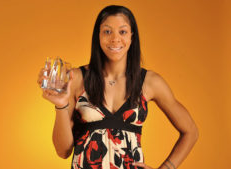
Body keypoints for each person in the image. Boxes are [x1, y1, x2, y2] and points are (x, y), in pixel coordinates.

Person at [37, 5, 199, 169]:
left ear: (132, 37)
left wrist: (167, 168)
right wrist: (60, 105)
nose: (115, 39)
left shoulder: (149, 82)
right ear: (98, 36)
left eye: (122, 32)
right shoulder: (76, 78)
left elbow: (191, 131)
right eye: (107, 32)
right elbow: (63, 151)